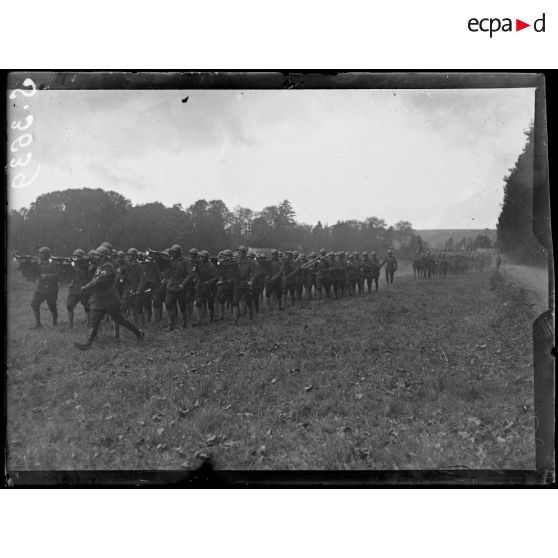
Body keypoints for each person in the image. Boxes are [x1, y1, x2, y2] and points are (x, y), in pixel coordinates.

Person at [74, 246, 144, 349]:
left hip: (110, 300)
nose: (95, 257)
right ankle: (87, 343)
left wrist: (85, 287)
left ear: (103, 257)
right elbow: (93, 279)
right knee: (94, 320)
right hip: (100, 299)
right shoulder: (99, 267)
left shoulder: (109, 267)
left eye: (98, 255)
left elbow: (97, 281)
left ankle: (138, 333)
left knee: (120, 320)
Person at [160, 244, 191, 331]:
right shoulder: (170, 260)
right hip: (170, 286)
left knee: (182, 307)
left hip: (180, 287)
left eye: (173, 252)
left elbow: (189, 274)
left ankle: (185, 323)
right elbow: (168, 272)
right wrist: (166, 278)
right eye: (171, 252)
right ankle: (171, 325)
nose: (172, 253)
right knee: (168, 304)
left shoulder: (185, 261)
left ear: (178, 253)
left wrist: (183, 284)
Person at [30, 246, 59, 329]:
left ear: (47, 254)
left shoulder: (53, 263)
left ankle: (55, 323)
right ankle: (38, 324)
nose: (40, 254)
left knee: (52, 306)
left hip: (51, 289)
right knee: (34, 304)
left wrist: (47, 276)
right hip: (40, 288)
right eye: (39, 253)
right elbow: (34, 273)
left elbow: (59, 275)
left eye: (42, 253)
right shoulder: (38, 263)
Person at [122, 248, 147, 327]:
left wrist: (139, 290)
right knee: (128, 306)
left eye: (130, 255)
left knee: (139, 308)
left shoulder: (139, 266)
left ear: (134, 256)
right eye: (128, 254)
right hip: (128, 289)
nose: (128, 256)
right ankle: (135, 323)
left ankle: (142, 325)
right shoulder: (127, 265)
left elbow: (143, 279)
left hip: (136, 289)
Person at [192, 249, 218, 326]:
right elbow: (195, 275)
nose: (200, 258)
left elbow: (216, 277)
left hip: (210, 287)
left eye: (202, 257)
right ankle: (199, 320)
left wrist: (209, 282)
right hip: (201, 286)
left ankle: (212, 318)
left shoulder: (212, 266)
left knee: (210, 304)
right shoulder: (198, 266)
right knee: (198, 303)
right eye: (200, 257)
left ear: (206, 258)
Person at [66, 248, 91, 327]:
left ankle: (89, 323)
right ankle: (70, 324)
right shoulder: (73, 265)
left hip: (84, 288)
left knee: (87, 307)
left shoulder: (87, 265)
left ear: (83, 257)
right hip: (74, 288)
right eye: (75, 256)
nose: (76, 258)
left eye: (78, 256)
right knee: (69, 305)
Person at [215, 249, 239, 321]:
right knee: (221, 300)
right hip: (224, 284)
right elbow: (220, 273)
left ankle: (235, 316)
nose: (225, 257)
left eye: (227, 256)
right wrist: (221, 279)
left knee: (234, 301)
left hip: (233, 284)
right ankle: (221, 316)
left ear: (230, 256)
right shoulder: (222, 264)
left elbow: (237, 274)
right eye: (224, 256)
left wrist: (232, 279)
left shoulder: (235, 264)